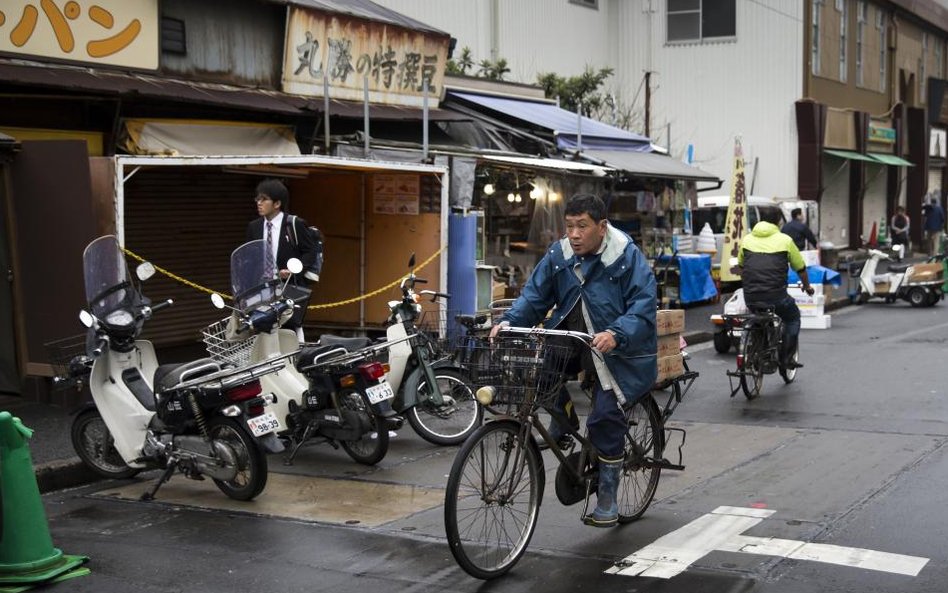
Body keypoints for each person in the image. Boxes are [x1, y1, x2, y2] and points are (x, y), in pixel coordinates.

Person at [489, 194, 657, 528]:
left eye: (582, 226)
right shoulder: (559, 255)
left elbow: (643, 303)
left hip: (619, 352)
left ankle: (608, 497)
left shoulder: (626, 257)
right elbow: (535, 296)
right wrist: (509, 321)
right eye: (569, 227)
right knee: (537, 373)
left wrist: (617, 333)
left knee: (605, 418)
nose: (574, 234)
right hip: (573, 340)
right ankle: (564, 421)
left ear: (602, 227)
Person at [738, 208, 815, 370]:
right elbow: (800, 268)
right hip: (776, 296)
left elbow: (741, 266)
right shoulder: (785, 240)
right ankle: (786, 359)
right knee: (792, 317)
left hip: (750, 295)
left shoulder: (747, 240)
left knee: (759, 316)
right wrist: (807, 287)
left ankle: (760, 351)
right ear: (778, 222)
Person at [246, 178, 318, 341]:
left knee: (290, 328)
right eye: (257, 198)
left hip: (288, 287)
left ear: (277, 203)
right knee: (262, 328)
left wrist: (294, 270)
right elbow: (249, 257)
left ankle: (295, 356)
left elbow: (310, 252)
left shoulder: (293, 224)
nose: (259, 202)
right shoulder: (254, 227)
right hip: (262, 289)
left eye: (264, 199)